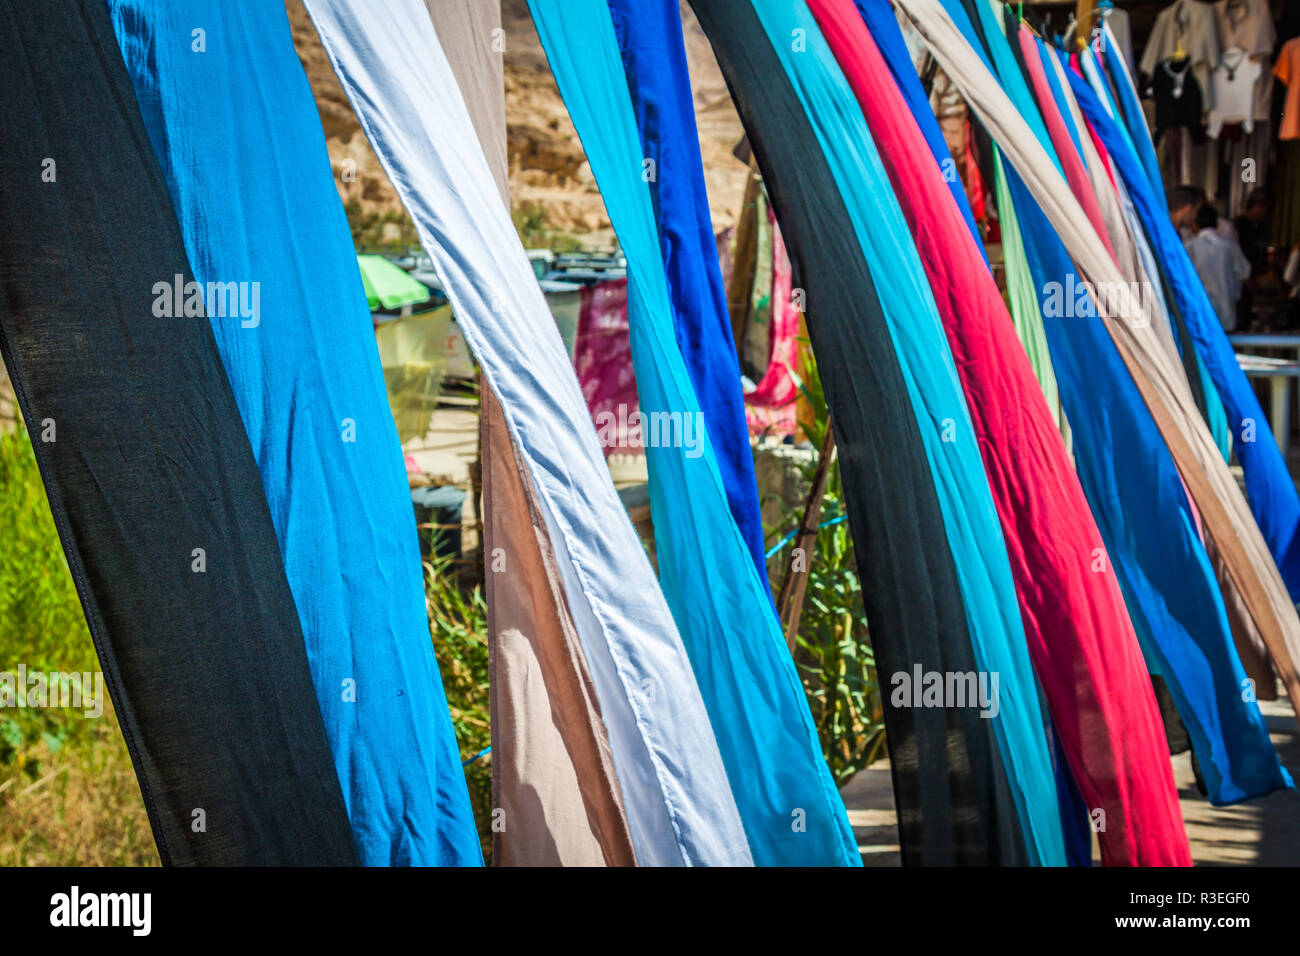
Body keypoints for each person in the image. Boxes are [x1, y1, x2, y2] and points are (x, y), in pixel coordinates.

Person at [1184, 203, 1251, 331]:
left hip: (1200, 315)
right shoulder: (1229, 246)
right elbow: (1245, 272)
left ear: (1194, 224)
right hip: (1227, 316)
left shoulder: (1189, 247)